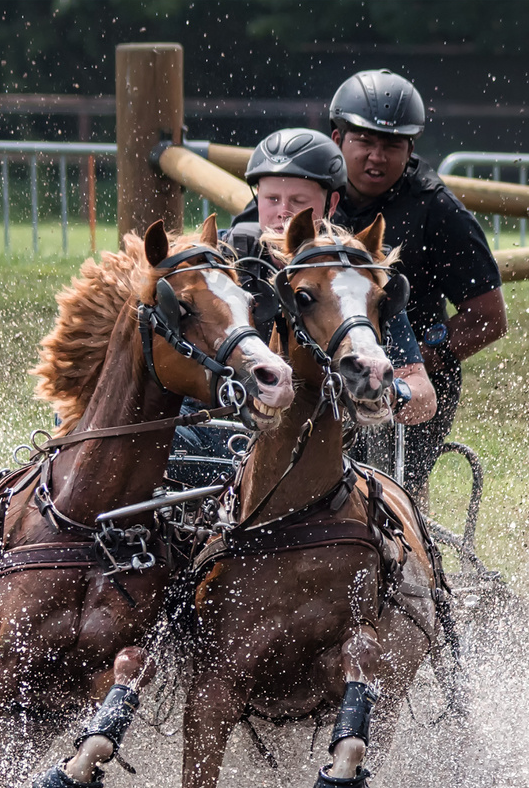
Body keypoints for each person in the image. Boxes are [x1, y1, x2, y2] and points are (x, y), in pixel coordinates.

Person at [169, 128, 436, 478]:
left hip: (315, 453)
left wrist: (388, 391)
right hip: (214, 441)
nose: (284, 213)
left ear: (332, 204)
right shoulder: (216, 266)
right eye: (272, 199)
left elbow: (424, 397)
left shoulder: (355, 280)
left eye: (298, 201)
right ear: (257, 198)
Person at [328, 69, 508, 492]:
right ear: (337, 140)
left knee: (385, 495)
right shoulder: (315, 192)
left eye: (391, 145)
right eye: (364, 141)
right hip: (326, 364)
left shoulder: (438, 211)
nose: (376, 156)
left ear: (410, 149)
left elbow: (488, 316)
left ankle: (412, 540)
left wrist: (419, 364)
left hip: (412, 373)